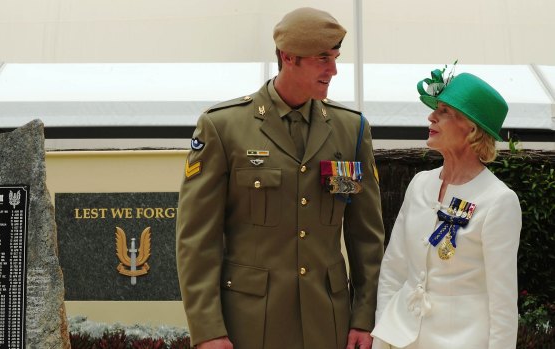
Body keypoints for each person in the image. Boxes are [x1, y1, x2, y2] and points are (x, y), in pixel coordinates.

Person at [176, 7, 385, 349]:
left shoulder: (351, 129)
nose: (333, 70)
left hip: (327, 321)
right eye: (322, 59)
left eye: (335, 58)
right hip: (250, 322)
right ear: (289, 58)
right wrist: (208, 329)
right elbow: (197, 239)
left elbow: (366, 236)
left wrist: (364, 317)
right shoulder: (223, 127)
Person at [371, 67, 522, 348]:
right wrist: (383, 331)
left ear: (471, 128)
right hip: (400, 337)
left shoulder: (499, 200)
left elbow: (503, 303)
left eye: (444, 111)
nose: (431, 116)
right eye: (435, 109)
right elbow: (394, 268)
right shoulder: (420, 184)